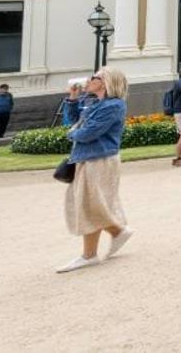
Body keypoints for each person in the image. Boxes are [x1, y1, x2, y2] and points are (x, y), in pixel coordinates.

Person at [56, 67, 132, 273]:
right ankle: (115, 233)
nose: (89, 80)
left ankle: (92, 252)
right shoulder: (93, 102)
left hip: (100, 159)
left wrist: (72, 135)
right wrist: (73, 98)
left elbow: (90, 132)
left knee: (90, 205)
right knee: (89, 204)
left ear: (106, 82)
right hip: (88, 157)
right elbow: (73, 120)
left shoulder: (114, 105)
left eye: (94, 77)